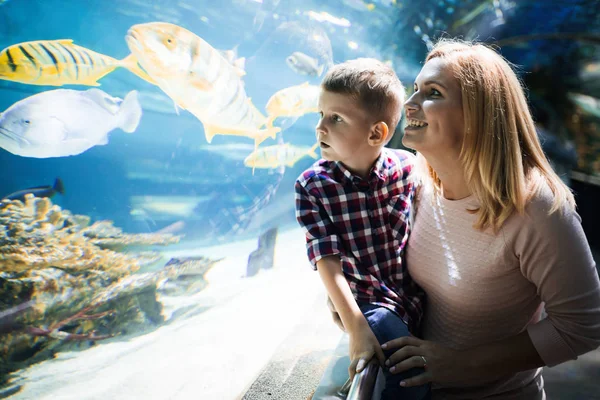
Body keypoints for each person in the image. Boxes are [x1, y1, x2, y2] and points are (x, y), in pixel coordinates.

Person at [374, 39, 600, 399]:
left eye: (431, 92)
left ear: (479, 113)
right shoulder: (416, 179)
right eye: (414, 89)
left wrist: (462, 364)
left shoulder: (536, 208)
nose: (409, 104)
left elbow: (584, 326)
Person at [294, 58, 430, 399]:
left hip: (412, 297)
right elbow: (325, 258)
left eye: (336, 118)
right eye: (320, 115)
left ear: (377, 133)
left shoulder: (407, 167)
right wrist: (355, 324)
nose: (320, 127)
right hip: (367, 303)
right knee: (409, 374)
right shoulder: (312, 186)